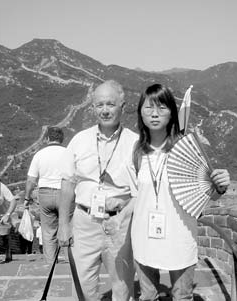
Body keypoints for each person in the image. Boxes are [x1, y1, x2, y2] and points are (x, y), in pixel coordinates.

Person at [129, 84, 230, 300]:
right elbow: (134, 196)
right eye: (148, 108)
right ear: (140, 113)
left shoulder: (185, 149)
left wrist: (219, 186)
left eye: (162, 107)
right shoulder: (137, 152)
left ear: (172, 113)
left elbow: (206, 193)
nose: (154, 114)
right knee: (147, 296)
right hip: (144, 236)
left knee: (182, 296)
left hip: (179, 235)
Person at [57, 80, 138, 300]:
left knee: (122, 289)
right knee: (82, 288)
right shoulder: (79, 140)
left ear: (123, 105)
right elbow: (67, 184)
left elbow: (142, 192)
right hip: (85, 223)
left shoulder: (135, 143)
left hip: (120, 225)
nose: (104, 110)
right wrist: (64, 224)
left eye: (110, 104)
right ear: (92, 108)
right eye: (99, 105)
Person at [24, 126, 67, 263]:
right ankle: (69, 260)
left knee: (48, 231)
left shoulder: (39, 155)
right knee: (67, 226)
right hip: (64, 193)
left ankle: (50, 263)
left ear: (47, 139)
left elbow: (31, 180)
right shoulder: (68, 153)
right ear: (61, 139)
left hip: (45, 194)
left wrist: (26, 197)